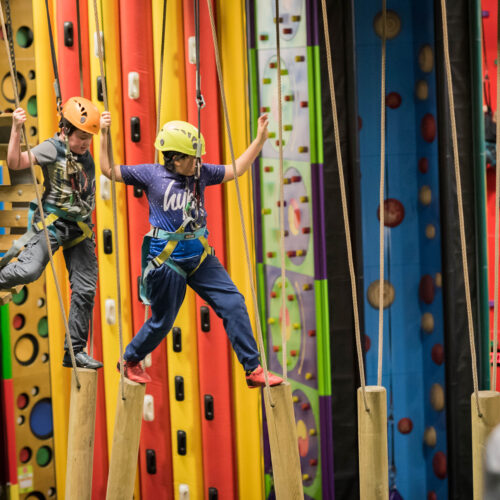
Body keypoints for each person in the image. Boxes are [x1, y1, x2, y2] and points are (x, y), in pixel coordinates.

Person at [99, 111, 282, 388]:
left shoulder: (202, 174)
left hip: (199, 258)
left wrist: (259, 140)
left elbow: (237, 169)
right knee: (163, 322)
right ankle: (130, 359)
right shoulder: (151, 175)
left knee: (234, 303)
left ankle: (253, 369)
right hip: (167, 260)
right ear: (174, 159)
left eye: (199, 158)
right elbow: (109, 170)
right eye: (192, 158)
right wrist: (103, 136)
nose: (199, 163)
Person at [1, 97, 103, 370]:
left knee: (85, 290)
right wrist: (15, 128)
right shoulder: (52, 148)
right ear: (66, 130)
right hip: (54, 225)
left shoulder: (83, 152)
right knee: (29, 270)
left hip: (80, 231)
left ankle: (75, 351)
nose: (85, 144)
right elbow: (15, 162)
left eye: (89, 139)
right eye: (81, 137)